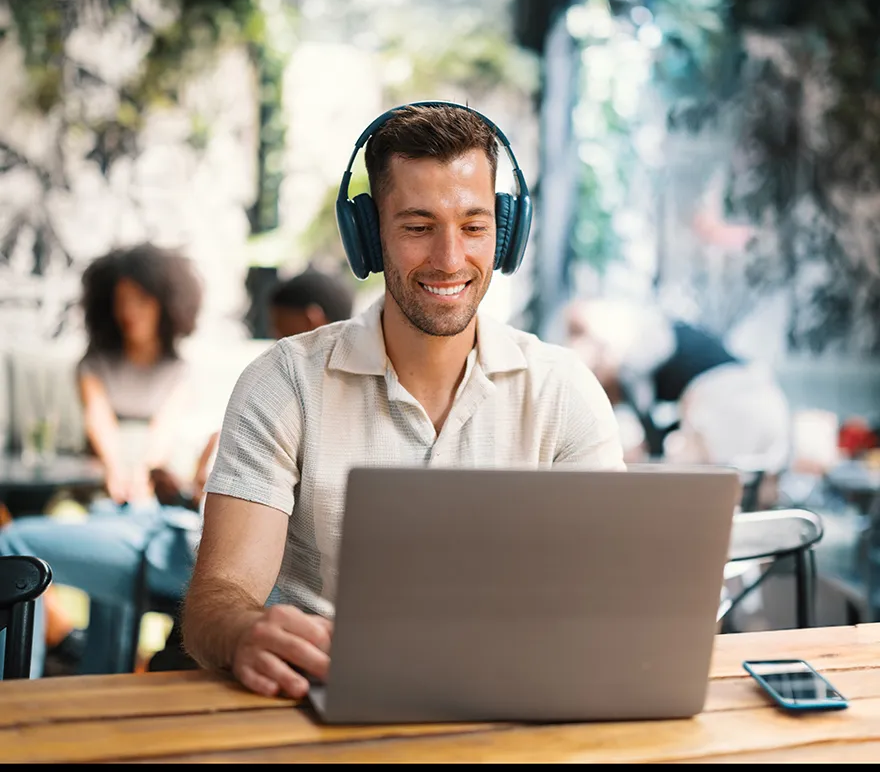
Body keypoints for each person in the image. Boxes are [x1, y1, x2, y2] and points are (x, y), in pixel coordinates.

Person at [181, 101, 625, 699]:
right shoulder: (284, 382)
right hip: (325, 696)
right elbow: (217, 600)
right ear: (368, 237)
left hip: (511, 700)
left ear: (507, 232)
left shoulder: (563, 391)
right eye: (417, 227)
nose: (449, 259)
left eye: (474, 226)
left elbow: (608, 598)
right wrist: (243, 632)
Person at [0, 242, 205, 677]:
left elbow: (161, 439)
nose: (129, 311)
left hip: (154, 499)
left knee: (91, 538)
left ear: (164, 305)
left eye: (141, 300)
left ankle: (91, 669)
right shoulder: (94, 363)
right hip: (99, 488)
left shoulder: (178, 370)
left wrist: (142, 479)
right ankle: (66, 661)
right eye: (121, 301)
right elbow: (101, 427)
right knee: (94, 518)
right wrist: (118, 473)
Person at [146, 267, 355, 672]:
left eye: (281, 328)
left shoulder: (303, 395)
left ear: (312, 319)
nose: (278, 341)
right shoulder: (280, 386)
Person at [563, 297, 791, 481]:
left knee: (719, 485)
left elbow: (642, 404)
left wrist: (651, 447)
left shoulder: (639, 341)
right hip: (748, 396)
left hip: (732, 399)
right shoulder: (649, 337)